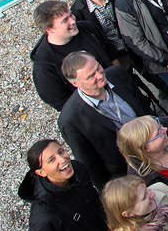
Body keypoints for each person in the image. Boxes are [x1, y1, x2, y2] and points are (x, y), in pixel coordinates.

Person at [57, 53, 151, 189]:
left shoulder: (117, 74)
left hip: (155, 144)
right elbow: (91, 165)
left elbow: (143, 106)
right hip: (131, 172)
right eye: (91, 76)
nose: (100, 76)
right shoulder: (71, 120)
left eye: (98, 68)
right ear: (75, 83)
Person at [31, 0, 118, 111]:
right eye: (65, 20)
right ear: (49, 29)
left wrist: (121, 80)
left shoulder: (87, 29)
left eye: (70, 15)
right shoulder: (44, 66)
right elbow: (60, 102)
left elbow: (112, 54)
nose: (72, 21)